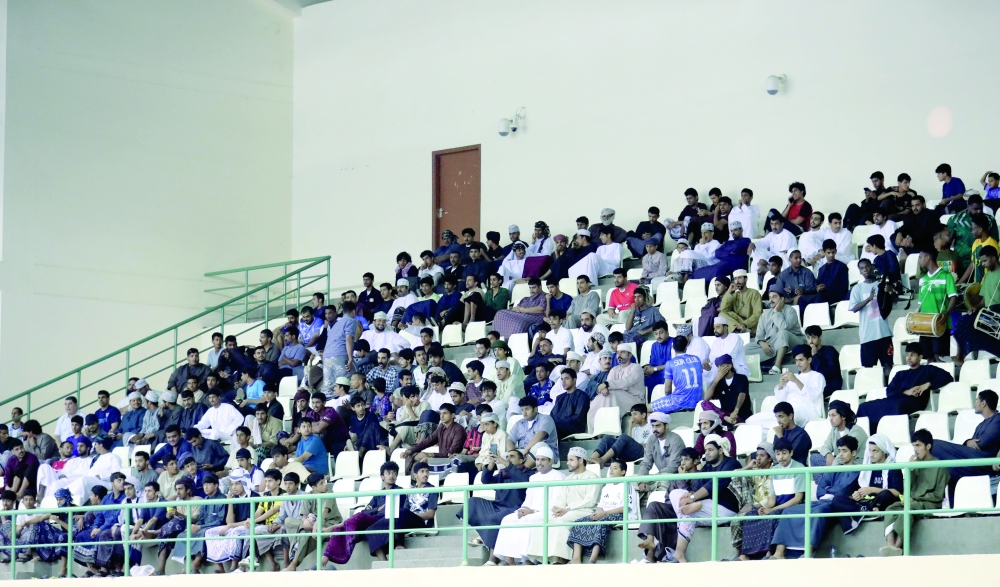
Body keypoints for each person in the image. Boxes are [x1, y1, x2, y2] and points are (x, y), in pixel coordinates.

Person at [770, 436, 861, 558]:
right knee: (788, 511)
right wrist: (830, 490)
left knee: (817, 512)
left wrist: (829, 490)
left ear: (854, 453)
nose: (840, 455)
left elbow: (843, 491)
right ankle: (779, 553)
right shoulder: (834, 468)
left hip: (835, 505)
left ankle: (809, 552)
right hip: (821, 501)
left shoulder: (858, 470)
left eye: (844, 451)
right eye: (839, 451)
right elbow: (820, 490)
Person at [668, 436, 739, 563]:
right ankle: (679, 554)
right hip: (707, 507)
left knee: (688, 512)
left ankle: (678, 554)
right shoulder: (707, 467)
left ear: (721, 451)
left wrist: (693, 498)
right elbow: (697, 485)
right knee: (676, 494)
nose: (707, 453)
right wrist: (689, 494)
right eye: (705, 450)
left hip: (726, 508)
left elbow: (714, 485)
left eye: (711, 450)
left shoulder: (731, 463)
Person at [492, 445, 566, 565]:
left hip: (547, 511)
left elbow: (556, 503)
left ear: (551, 461)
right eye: (537, 459)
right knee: (508, 519)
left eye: (543, 459)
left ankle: (527, 558)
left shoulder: (559, 477)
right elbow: (528, 500)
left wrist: (533, 511)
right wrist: (523, 509)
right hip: (531, 510)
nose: (539, 463)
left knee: (530, 520)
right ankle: (509, 557)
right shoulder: (533, 478)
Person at [880, 429, 949, 556]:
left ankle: (897, 546)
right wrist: (909, 471)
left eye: (918, 445)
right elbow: (907, 489)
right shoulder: (914, 464)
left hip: (929, 503)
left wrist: (915, 499)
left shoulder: (940, 466)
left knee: (909, 509)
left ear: (928, 446)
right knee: (891, 508)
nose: (915, 449)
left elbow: (938, 495)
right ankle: (889, 544)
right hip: (912, 501)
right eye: (913, 445)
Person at [735, 438, 805, 559]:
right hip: (777, 506)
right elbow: (772, 499)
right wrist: (764, 508)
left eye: (784, 453)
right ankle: (745, 554)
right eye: (778, 454)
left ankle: (768, 553)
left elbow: (797, 499)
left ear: (791, 453)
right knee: (751, 515)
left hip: (792, 507)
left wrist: (772, 509)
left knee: (774, 516)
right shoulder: (775, 471)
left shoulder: (800, 468)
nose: (781, 457)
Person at [858, 342, 953, 432]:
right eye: (907, 354)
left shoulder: (928, 369)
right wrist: (906, 392)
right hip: (896, 400)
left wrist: (927, 384)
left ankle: (894, 433)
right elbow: (890, 391)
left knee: (897, 406)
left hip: (915, 402)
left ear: (920, 357)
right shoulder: (901, 374)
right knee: (864, 407)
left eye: (912, 355)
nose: (908, 358)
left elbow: (948, 377)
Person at [824, 434, 902, 536]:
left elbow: (897, 492)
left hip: (883, 501)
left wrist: (872, 489)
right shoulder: (869, 468)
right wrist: (858, 494)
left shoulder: (894, 468)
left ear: (883, 451)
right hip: (867, 502)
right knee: (837, 499)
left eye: (875, 451)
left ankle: (864, 512)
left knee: (885, 494)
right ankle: (865, 512)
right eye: (869, 450)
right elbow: (863, 489)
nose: (871, 454)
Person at [465, 448, 532, 564]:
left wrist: (505, 462)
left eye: (512, 456)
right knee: (472, 502)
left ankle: (492, 558)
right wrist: (492, 463)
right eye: (507, 457)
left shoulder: (528, 473)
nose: (508, 459)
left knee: (495, 518)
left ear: (521, 460)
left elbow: (523, 480)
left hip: (514, 508)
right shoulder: (503, 474)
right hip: (498, 506)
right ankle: (482, 534)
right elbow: (486, 480)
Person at [566, 458, 638, 564]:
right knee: (579, 522)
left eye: (615, 468)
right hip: (603, 513)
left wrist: (604, 513)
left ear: (623, 472)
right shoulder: (606, 486)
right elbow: (600, 505)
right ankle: (576, 558)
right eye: (610, 468)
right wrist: (598, 512)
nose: (611, 471)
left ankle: (593, 559)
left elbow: (626, 507)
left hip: (621, 515)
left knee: (602, 522)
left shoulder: (627, 485)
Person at [634, 447, 699, 563]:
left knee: (661, 519)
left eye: (687, 460)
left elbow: (685, 497)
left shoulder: (700, 477)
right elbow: (668, 499)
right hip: (673, 510)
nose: (683, 463)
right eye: (681, 459)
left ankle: (650, 555)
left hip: (689, 511)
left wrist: (682, 478)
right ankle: (649, 541)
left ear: (695, 461)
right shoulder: (675, 477)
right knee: (654, 506)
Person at [931, 390, 1000, 498]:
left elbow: (983, 442)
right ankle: (955, 510)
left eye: (977, 400)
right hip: (975, 459)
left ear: (983, 403)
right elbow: (972, 443)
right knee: (952, 471)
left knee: (934, 444)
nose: (974, 403)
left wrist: (970, 443)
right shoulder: (981, 424)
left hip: (986, 460)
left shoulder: (998, 419)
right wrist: (968, 441)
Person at [751, 344, 824, 423]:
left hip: (806, 411)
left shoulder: (817, 376)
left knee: (781, 419)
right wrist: (781, 385)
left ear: (809, 360)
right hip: (788, 408)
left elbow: (813, 395)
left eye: (801, 360)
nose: (798, 363)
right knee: (753, 420)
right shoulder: (793, 376)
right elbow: (781, 399)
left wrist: (796, 381)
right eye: (796, 360)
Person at [953, 246, 1000, 362]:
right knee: (961, 322)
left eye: (985, 261)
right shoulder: (988, 275)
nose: (983, 264)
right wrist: (976, 307)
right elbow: (984, 299)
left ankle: (963, 355)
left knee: (967, 324)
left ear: (993, 258)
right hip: (987, 311)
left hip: (997, 312)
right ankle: (961, 355)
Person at [744, 288, 806, 374]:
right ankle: (767, 364)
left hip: (794, 340)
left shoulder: (790, 310)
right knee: (746, 349)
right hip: (773, 343)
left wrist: (777, 312)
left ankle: (777, 365)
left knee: (782, 333)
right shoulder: (765, 314)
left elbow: (784, 327)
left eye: (774, 297)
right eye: (769, 297)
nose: (770, 300)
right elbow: (759, 335)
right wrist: (763, 343)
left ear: (782, 299)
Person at [850, 258, 894, 370]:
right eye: (862, 268)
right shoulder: (857, 288)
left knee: (888, 365)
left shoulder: (881, 284)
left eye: (867, 266)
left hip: (884, 333)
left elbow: (890, 302)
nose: (865, 270)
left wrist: (889, 291)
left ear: (872, 267)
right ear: (859, 271)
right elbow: (854, 308)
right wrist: (869, 299)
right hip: (867, 337)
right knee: (869, 369)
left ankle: (887, 387)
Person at [589, 344, 644, 426]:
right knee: (598, 398)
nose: (619, 355)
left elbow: (626, 381)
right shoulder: (614, 369)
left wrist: (606, 384)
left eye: (622, 352)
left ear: (629, 355)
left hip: (634, 400)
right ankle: (595, 428)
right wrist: (605, 388)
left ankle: (610, 427)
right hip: (618, 397)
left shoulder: (636, 368)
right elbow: (608, 384)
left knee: (611, 394)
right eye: (618, 353)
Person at [650, 335, 703, 414]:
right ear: (687, 345)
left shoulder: (670, 363)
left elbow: (667, 390)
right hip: (697, 400)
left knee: (646, 409)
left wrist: (669, 399)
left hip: (679, 401)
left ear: (673, 347)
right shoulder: (697, 359)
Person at [635, 412, 685, 488]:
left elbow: (673, 466)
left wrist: (653, 478)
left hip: (673, 477)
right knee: (631, 484)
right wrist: (641, 480)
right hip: (658, 477)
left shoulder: (676, 440)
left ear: (666, 426)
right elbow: (646, 463)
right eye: (653, 426)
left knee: (664, 482)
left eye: (658, 426)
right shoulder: (651, 439)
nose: (655, 429)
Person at [507, 397, 559, 467]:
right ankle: (508, 473)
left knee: (539, 446)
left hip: (545, 453)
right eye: (522, 410)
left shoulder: (546, 419)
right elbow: (510, 440)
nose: (524, 413)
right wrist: (513, 453)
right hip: (522, 454)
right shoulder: (519, 423)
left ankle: (522, 471)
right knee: (503, 456)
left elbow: (541, 434)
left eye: (527, 409)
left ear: (535, 409)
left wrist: (526, 450)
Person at [700, 354, 752, 425]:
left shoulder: (741, 378)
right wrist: (716, 380)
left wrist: (736, 410)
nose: (719, 369)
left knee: (738, 416)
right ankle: (727, 419)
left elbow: (742, 394)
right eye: (718, 367)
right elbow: (706, 398)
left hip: (741, 413)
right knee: (704, 403)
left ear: (729, 366)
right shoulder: (719, 382)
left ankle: (733, 420)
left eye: (721, 366)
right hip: (725, 415)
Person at [813, 400, 867, 467]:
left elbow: (846, 453)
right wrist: (828, 454)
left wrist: (832, 469)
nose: (831, 419)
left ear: (843, 416)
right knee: (815, 458)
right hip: (839, 462)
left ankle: (830, 476)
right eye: (829, 415)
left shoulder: (856, 431)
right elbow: (825, 447)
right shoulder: (834, 430)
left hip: (854, 464)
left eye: (834, 415)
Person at [749, 216, 796, 280]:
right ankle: (755, 278)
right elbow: (762, 243)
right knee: (757, 251)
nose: (774, 226)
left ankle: (768, 271)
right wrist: (753, 245)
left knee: (782, 254)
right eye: (772, 224)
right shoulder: (771, 234)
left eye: (776, 224)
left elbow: (781, 255)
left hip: (784, 262)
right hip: (772, 259)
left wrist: (767, 263)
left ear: (782, 224)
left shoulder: (787, 236)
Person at [959, 213, 999, 284]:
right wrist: (959, 283)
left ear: (980, 229)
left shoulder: (992, 245)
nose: (971, 232)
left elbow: (995, 268)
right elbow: (973, 264)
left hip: (988, 284)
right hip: (977, 285)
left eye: (973, 229)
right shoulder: (976, 242)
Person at [550, 369, 590, 438]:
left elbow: (578, 418)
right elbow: (553, 415)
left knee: (553, 426)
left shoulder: (582, 396)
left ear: (574, 380)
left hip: (574, 427)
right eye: (562, 379)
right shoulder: (560, 397)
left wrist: (559, 421)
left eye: (567, 378)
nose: (563, 382)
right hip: (559, 426)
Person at [719, 269, 762, 334]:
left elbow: (757, 314)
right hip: (738, 323)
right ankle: (738, 330)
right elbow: (724, 310)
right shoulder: (734, 294)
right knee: (721, 314)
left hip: (750, 325)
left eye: (740, 278)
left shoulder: (754, 293)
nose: (737, 281)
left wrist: (744, 324)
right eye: (735, 279)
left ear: (745, 279)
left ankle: (742, 330)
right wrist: (729, 292)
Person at [805, 325, 843, 397]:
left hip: (830, 383)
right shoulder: (807, 354)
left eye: (814, 337)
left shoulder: (830, 350)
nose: (811, 341)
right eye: (808, 337)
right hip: (813, 385)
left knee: (812, 393)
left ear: (820, 337)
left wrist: (815, 356)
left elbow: (827, 373)